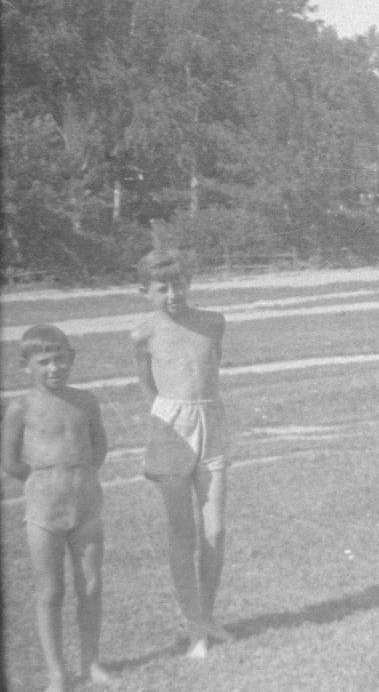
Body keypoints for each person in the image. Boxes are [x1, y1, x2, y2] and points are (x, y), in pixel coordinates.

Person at [130, 247, 230, 659]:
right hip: (171, 427)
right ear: (145, 291)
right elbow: (147, 384)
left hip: (211, 423)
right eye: (162, 288)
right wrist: (169, 412)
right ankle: (195, 631)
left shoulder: (213, 322)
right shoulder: (144, 332)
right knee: (181, 533)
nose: (173, 294)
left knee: (215, 531)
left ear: (190, 283)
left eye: (179, 285)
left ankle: (206, 617)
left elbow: (211, 369)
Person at [2, 325, 113, 691]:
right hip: (44, 511)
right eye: (44, 362)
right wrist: (45, 481)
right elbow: (10, 462)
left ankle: (91, 662)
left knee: (92, 586)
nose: (54, 368)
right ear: (25, 365)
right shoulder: (20, 407)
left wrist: (79, 475)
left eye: (61, 359)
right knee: (50, 591)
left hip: (86, 506)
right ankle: (56, 673)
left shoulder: (86, 400)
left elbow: (99, 446)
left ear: (73, 359)